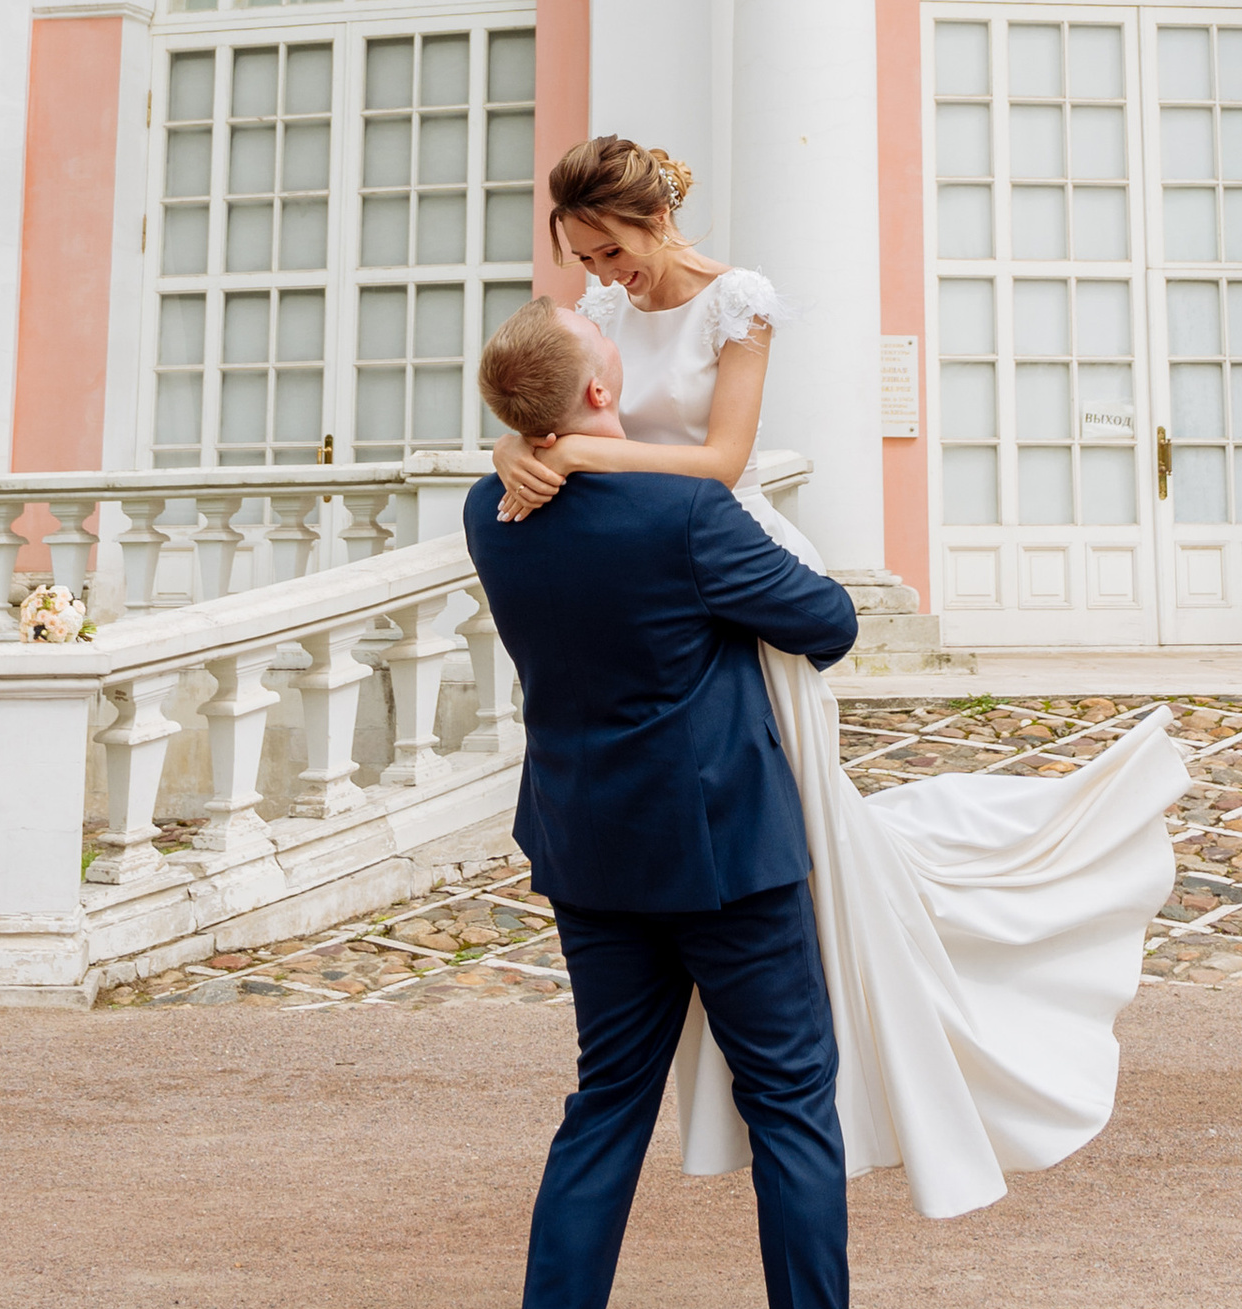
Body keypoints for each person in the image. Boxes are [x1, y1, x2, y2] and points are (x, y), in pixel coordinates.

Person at [489, 133, 1186, 1223]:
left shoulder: (739, 303)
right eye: (581, 259)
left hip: (732, 569)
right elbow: (566, 403)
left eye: (609, 252)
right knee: (744, 841)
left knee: (793, 825)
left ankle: (849, 1022)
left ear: (653, 225)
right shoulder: (605, 321)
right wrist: (515, 449)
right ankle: (773, 1024)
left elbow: (721, 461)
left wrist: (580, 458)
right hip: (653, 580)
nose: (600, 278)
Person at [464, 297, 869, 1309]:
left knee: (603, 1113)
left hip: (592, 852)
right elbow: (830, 620)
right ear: (597, 395)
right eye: (609, 360)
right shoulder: (683, 508)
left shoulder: (493, 508)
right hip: (725, 856)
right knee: (793, 1106)